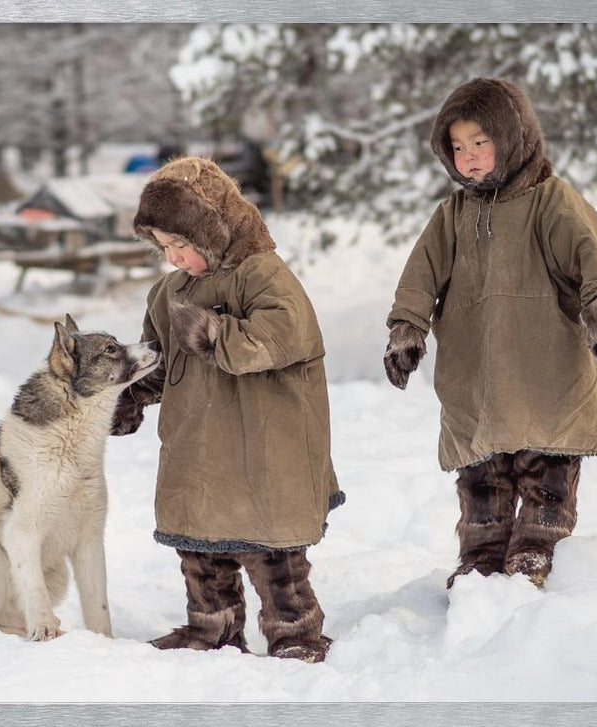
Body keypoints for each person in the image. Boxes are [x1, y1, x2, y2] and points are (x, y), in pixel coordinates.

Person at [382, 78, 597, 589]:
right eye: (457, 147)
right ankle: (482, 553)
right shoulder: (452, 215)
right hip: (479, 376)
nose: (469, 157)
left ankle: (538, 543)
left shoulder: (550, 200)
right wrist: (406, 328)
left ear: (512, 137)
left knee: (546, 470)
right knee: (482, 474)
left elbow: (592, 258)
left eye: (480, 142)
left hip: (546, 371)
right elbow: (419, 276)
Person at [112, 156, 344, 663]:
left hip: (262, 442)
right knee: (199, 549)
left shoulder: (262, 274)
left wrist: (217, 333)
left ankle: (296, 632)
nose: (173, 258)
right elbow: (158, 358)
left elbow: (287, 334)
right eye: (163, 246)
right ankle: (211, 627)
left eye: (182, 244)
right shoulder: (167, 292)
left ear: (213, 230)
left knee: (272, 553)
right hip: (195, 444)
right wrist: (129, 394)